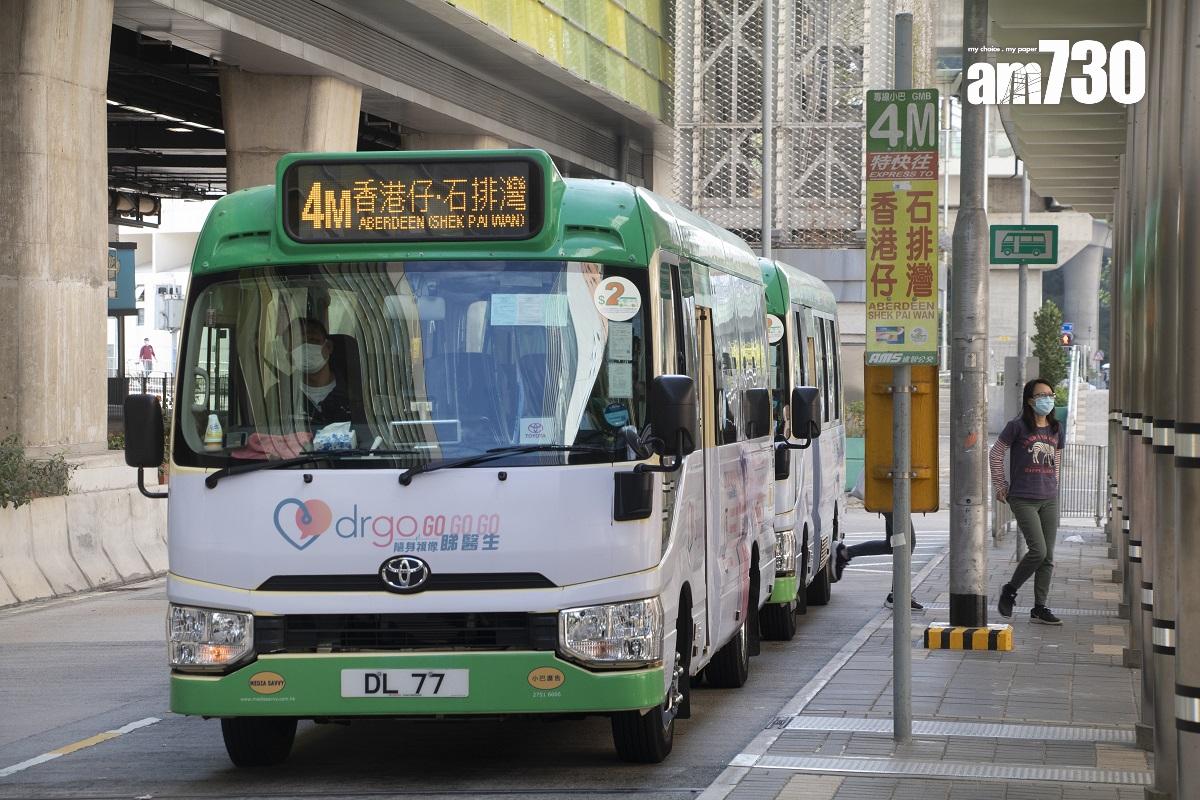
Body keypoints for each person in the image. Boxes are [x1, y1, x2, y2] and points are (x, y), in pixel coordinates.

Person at [989, 377, 1066, 625]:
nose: (1047, 399)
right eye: (1042, 395)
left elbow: (1057, 459)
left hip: (1049, 498)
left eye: (1050, 395)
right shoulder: (1017, 426)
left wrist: (1054, 484)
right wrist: (1000, 485)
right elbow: (996, 453)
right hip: (1023, 497)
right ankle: (1010, 590)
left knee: (1048, 557)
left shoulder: (1056, 428)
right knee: (1038, 551)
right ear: (1030, 400)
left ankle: (1039, 608)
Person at [836, 472, 925, 611]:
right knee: (907, 543)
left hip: (889, 494)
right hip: (891, 495)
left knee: (891, 546)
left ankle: (845, 553)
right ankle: (896, 595)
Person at [282, 317, 354, 428]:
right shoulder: (281, 396)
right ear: (290, 358)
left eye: (313, 340)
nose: (306, 347)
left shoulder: (356, 391)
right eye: (298, 343)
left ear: (329, 347)